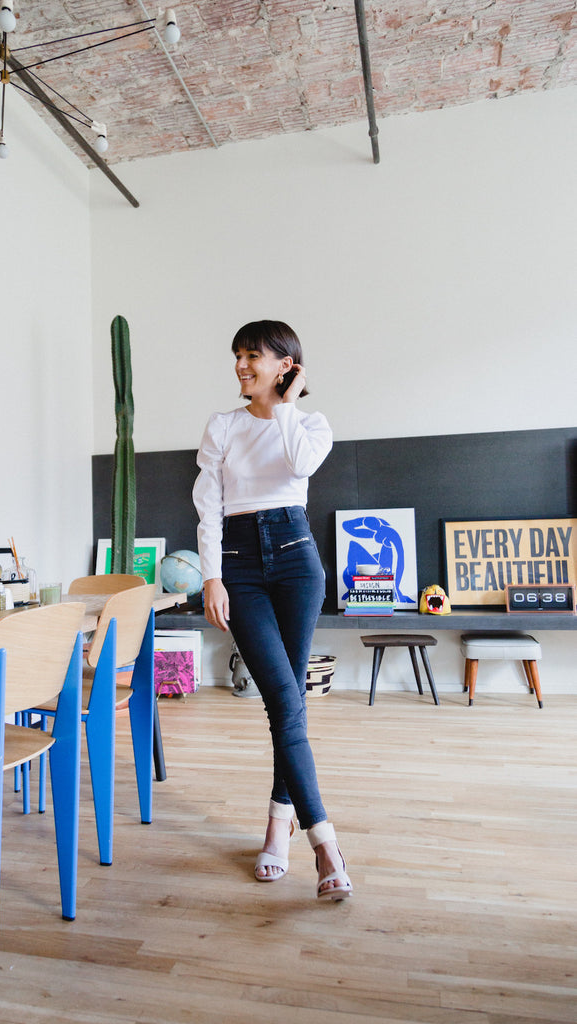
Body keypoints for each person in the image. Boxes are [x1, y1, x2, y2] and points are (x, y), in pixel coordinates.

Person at [192, 320, 352, 901]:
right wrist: (212, 576)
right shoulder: (222, 427)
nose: (240, 365)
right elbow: (208, 507)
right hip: (238, 566)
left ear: (284, 364)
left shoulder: (310, 424)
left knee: (290, 700)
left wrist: (286, 404)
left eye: (252, 356)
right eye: (237, 355)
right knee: (283, 698)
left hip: (295, 561)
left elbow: (301, 466)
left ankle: (279, 824)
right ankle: (325, 845)